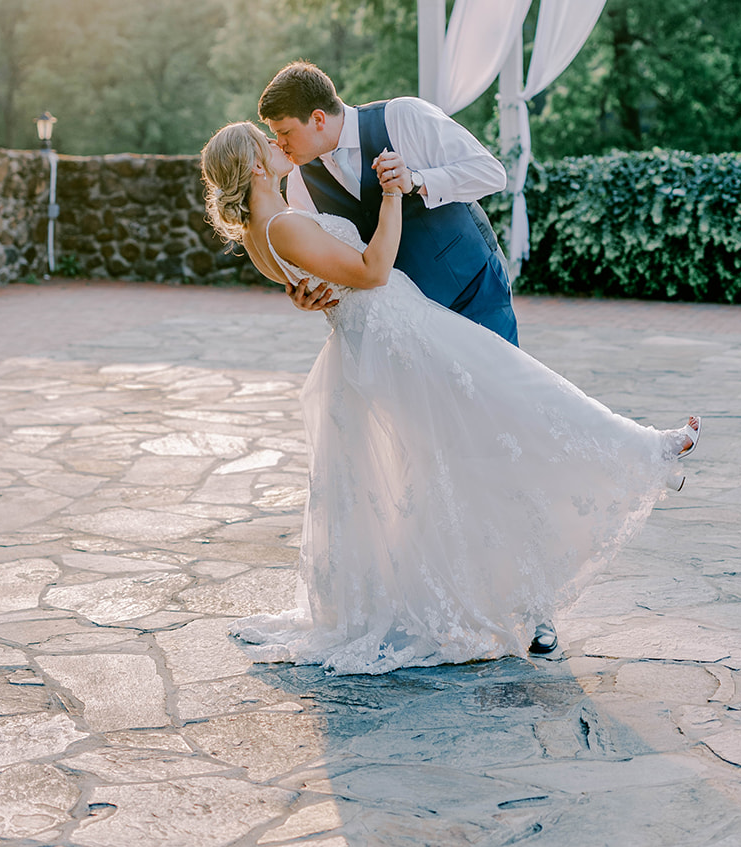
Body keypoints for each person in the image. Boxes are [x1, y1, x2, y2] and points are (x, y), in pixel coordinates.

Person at [200, 120, 701, 677]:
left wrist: (312, 293)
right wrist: (392, 193)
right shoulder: (283, 224)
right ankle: (645, 454)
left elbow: (318, 279)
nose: (278, 144)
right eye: (266, 141)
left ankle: (633, 463)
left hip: (386, 334)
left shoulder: (264, 228)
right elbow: (371, 270)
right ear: (251, 165)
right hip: (400, 336)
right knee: (516, 397)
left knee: (472, 441)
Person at [258, 62, 518, 346]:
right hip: (405, 325)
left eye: (285, 132)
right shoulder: (299, 181)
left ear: (318, 119)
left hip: (473, 289)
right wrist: (307, 293)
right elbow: (325, 257)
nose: (279, 143)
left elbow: (491, 174)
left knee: (499, 387)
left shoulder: (403, 117)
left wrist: (416, 180)